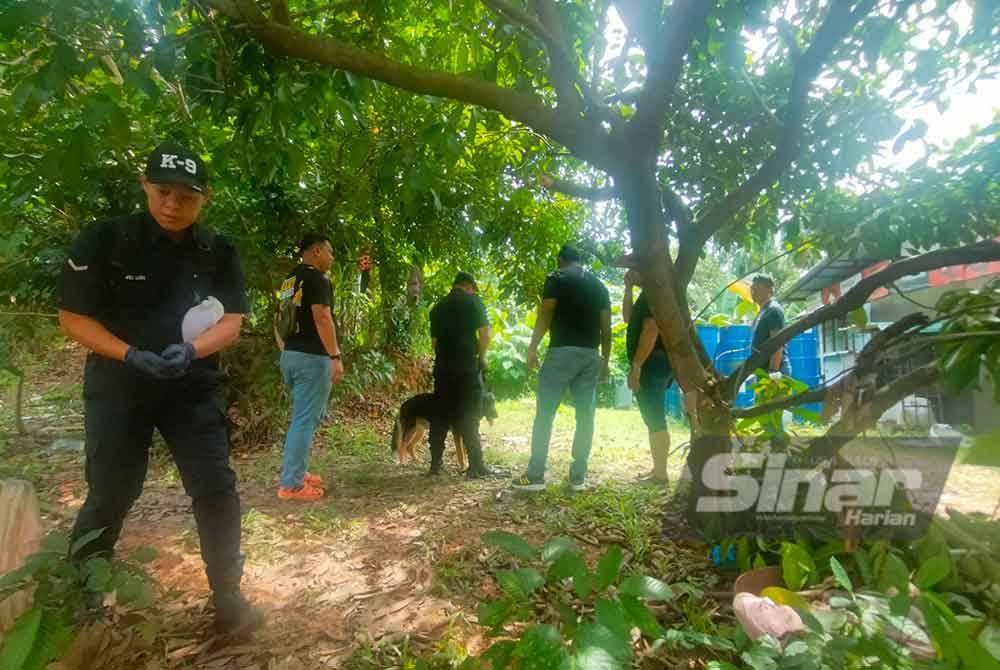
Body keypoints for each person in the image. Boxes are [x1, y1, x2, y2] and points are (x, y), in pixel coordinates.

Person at [58, 142, 262, 635]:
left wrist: (191, 352)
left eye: (187, 196)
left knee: (215, 487)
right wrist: (129, 353)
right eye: (163, 191)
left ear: (204, 198)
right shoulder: (105, 240)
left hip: (190, 387)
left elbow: (232, 321)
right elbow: (73, 318)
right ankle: (85, 594)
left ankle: (228, 598)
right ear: (145, 186)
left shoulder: (218, 251)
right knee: (111, 489)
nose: (173, 204)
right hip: (118, 386)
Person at [513, 245, 611, 492]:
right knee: (585, 416)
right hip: (590, 355)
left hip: (561, 353)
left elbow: (546, 313)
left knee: (545, 414)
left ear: (561, 260)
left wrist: (532, 347)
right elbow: (606, 328)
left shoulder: (556, 277)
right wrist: (605, 361)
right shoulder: (599, 285)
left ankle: (535, 476)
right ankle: (578, 477)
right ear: (579, 261)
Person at [275, 233, 344, 501]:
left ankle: (297, 472)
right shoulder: (318, 278)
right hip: (312, 358)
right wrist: (335, 356)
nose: (332, 258)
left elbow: (279, 317)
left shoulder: (290, 279)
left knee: (303, 417)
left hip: (291, 356)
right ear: (316, 251)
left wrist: (285, 348)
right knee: (304, 420)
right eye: (330, 252)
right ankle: (291, 485)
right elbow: (322, 316)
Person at [428, 272, 495, 478]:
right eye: (473, 289)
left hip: (443, 367)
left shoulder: (437, 308)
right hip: (466, 366)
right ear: (468, 286)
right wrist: (482, 358)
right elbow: (485, 334)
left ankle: (436, 464)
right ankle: (476, 466)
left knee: (440, 415)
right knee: (470, 416)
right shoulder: (474, 302)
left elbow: (435, 343)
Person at [622, 269, 672, 484]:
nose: (631, 272)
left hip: (652, 363)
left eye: (635, 269)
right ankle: (657, 470)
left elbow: (651, 329)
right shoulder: (647, 294)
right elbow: (628, 318)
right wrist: (628, 289)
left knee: (655, 417)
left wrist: (637, 366)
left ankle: (661, 474)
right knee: (653, 418)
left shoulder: (654, 293)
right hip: (651, 363)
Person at [749, 275, 790, 375]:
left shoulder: (773, 311)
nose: (754, 292)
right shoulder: (763, 311)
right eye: (752, 288)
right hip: (763, 371)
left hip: (774, 371)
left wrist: (773, 372)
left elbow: (777, 344)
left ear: (770, 290)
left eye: (758, 288)